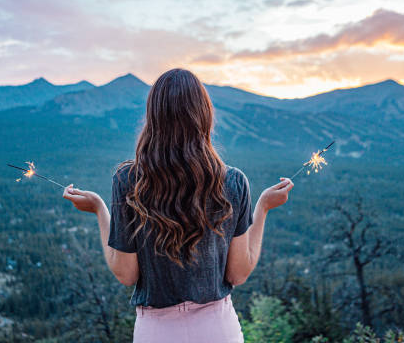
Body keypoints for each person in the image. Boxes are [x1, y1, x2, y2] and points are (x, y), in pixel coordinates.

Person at [63, 68, 294, 342]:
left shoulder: (129, 181)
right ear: (204, 115)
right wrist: (263, 208)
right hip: (218, 330)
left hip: (156, 332)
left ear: (153, 118)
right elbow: (238, 273)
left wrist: (101, 210)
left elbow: (126, 274)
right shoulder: (233, 182)